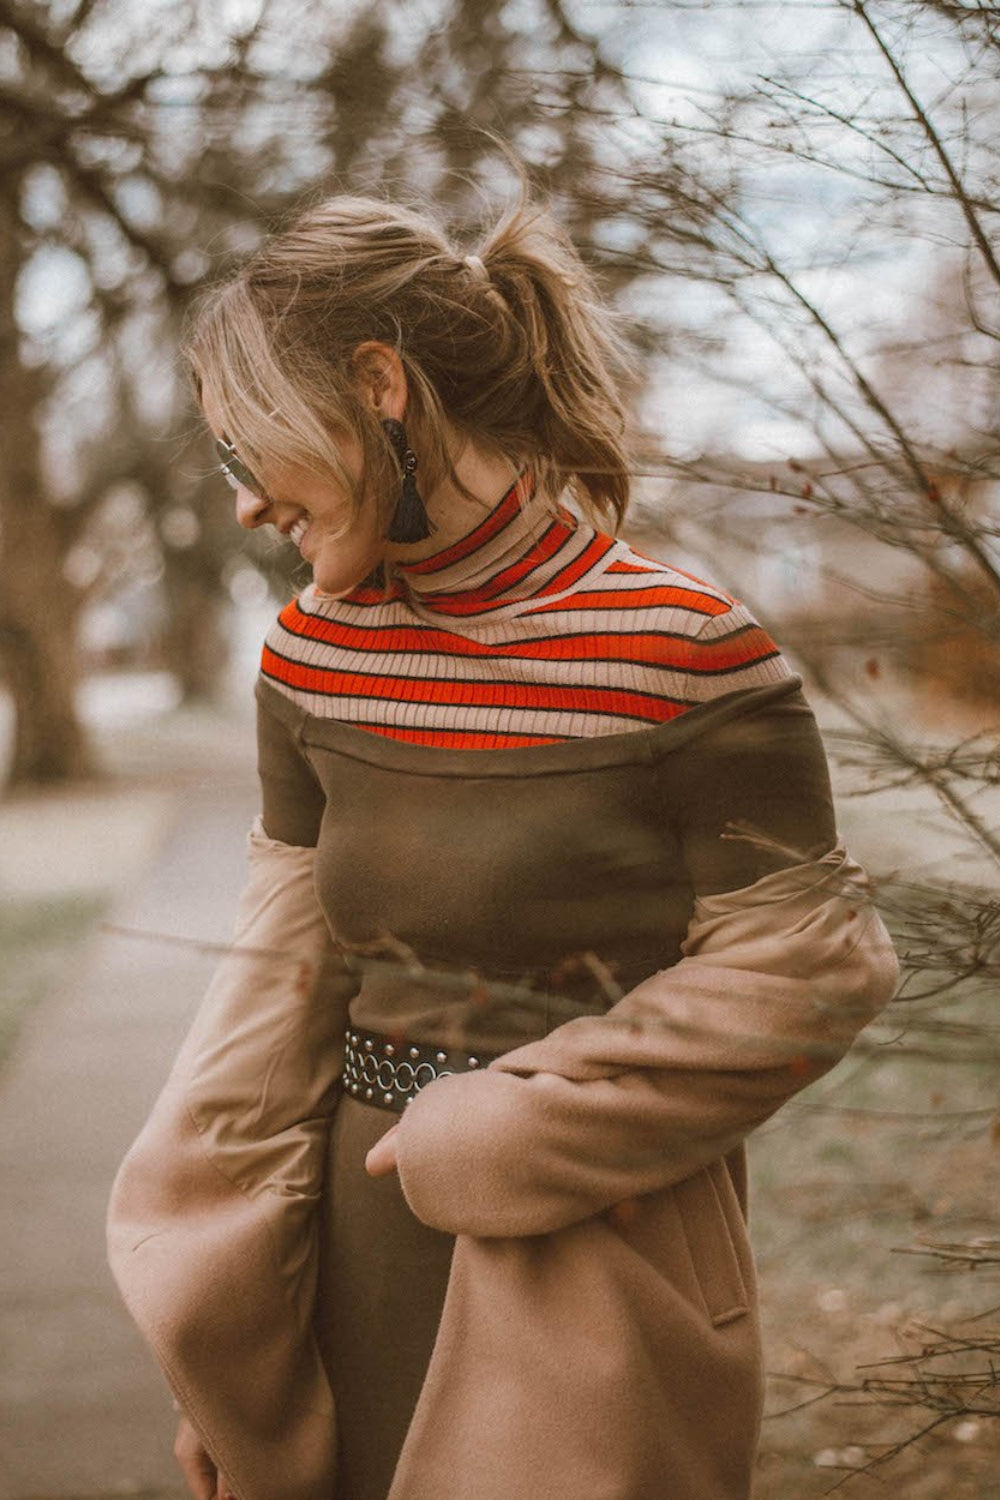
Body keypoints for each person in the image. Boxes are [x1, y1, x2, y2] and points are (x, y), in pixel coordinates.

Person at [107, 177, 900, 1500]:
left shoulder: (687, 648)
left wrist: (515, 1126)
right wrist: (235, 1338)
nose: (246, 501)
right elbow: (278, 989)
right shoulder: (312, 653)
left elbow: (814, 971)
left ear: (380, 383)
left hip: (601, 1250)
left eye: (255, 441)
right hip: (359, 1253)